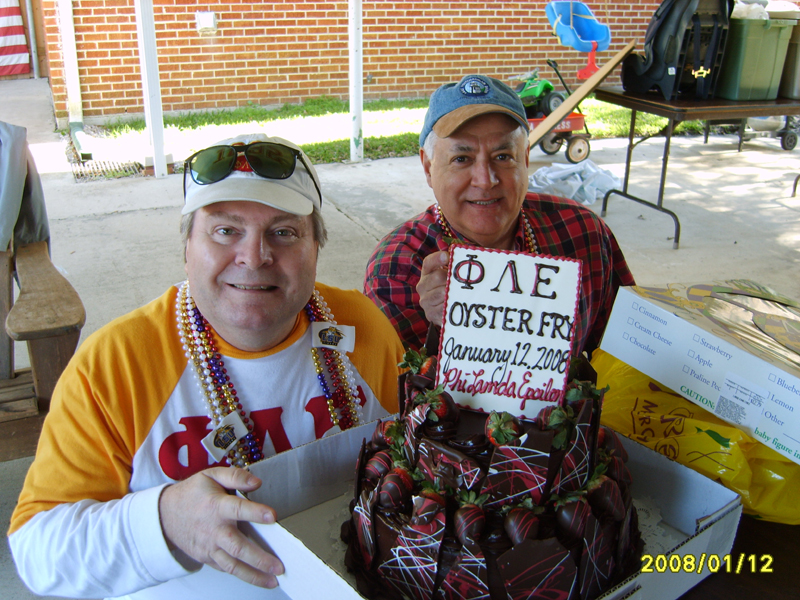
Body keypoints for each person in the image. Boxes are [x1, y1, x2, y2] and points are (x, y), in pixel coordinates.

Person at [9, 134, 404, 599]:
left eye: (284, 232)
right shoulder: (114, 365)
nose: (254, 257)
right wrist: (164, 522)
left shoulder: (363, 328)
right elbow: (38, 550)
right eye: (225, 231)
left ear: (316, 246)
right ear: (187, 248)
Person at [364, 74, 634, 355]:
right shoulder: (396, 269)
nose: (485, 180)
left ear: (525, 159)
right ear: (428, 168)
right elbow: (391, 380)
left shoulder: (584, 233)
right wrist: (439, 329)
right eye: (461, 159)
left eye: (503, 157)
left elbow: (627, 355)